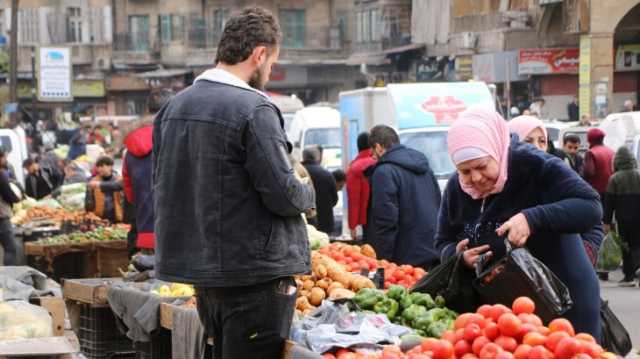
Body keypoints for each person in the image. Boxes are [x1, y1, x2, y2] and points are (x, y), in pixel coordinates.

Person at [152, 7, 315, 359]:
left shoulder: (173, 108)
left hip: (206, 276)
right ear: (258, 54)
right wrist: (308, 190)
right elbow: (283, 193)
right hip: (253, 277)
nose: (269, 72)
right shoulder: (253, 109)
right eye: (270, 63)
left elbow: (163, 188)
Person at [437, 106, 602, 339]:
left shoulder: (534, 165)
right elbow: (442, 239)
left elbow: (591, 207)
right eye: (465, 171)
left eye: (482, 166)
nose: (475, 178)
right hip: (504, 314)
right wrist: (457, 257)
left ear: (497, 150)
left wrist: (532, 218)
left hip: (564, 304)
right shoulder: (457, 187)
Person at [508, 115, 604, 266]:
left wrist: (585, 253)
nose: (536, 147)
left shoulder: (555, 174)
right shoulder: (499, 181)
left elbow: (594, 218)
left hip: (561, 275)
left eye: (542, 141)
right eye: (527, 141)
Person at [367, 125, 441, 269]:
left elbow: (386, 220)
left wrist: (383, 260)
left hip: (405, 256)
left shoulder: (384, 172)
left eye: (372, 152)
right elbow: (439, 203)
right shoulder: (424, 166)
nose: (373, 157)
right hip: (432, 249)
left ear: (378, 147)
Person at [122, 90, 175, 251]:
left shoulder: (130, 149)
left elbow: (129, 193)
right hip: (177, 233)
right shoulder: (177, 137)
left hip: (144, 231)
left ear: (147, 110)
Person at [603, 146, 640, 286]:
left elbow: (609, 202)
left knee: (625, 246)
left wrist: (606, 221)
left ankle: (629, 277)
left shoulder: (614, 178)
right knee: (637, 244)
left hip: (623, 219)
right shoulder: (638, 175)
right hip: (638, 218)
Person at [346, 132, 377, 240]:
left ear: (358, 146)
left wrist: (352, 226)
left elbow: (354, 200)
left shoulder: (355, 168)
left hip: (368, 218)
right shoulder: (381, 161)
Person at [302, 146, 338, 234]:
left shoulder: (297, 172)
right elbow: (334, 199)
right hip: (325, 223)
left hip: (305, 223)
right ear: (317, 157)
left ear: (303, 157)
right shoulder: (327, 175)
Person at [85, 156, 124, 223]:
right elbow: (89, 201)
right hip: (99, 217)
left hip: (117, 216)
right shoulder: (93, 181)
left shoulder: (119, 180)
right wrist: (90, 214)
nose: (100, 169)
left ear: (110, 167)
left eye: (102, 166)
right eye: (98, 167)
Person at [0, 149, 21, 265]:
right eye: (4, 157)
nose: (5, 160)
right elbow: (8, 194)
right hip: (1, 217)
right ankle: (9, 277)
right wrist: (18, 198)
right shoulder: (0, 174)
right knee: (11, 249)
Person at [584, 128, 615, 199]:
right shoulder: (611, 151)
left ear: (590, 139)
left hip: (596, 191)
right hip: (611, 190)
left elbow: (589, 172)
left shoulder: (590, 152)